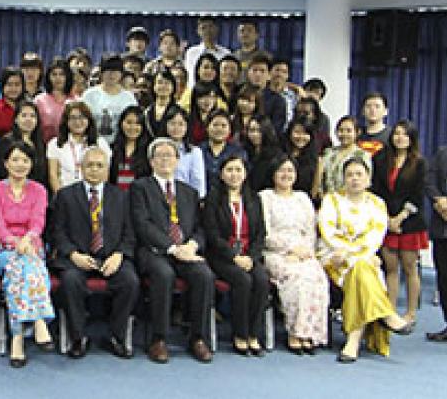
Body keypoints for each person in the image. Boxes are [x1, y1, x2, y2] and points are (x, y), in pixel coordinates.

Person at [317, 157, 413, 362]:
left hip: (362, 256)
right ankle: (387, 314)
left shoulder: (378, 204)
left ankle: (353, 340)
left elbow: (375, 237)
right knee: (365, 270)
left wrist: (354, 254)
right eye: (349, 175)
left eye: (359, 174)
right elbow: (328, 232)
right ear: (343, 179)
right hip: (334, 256)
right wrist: (348, 252)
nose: (354, 179)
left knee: (360, 271)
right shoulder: (331, 200)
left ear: (368, 178)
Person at [131, 138, 215, 363]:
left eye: (170, 155)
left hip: (186, 251)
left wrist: (192, 245)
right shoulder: (140, 188)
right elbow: (142, 224)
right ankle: (158, 339)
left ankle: (198, 337)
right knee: (163, 273)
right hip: (154, 251)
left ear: (178, 160)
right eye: (160, 155)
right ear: (151, 161)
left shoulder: (189, 192)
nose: (165, 160)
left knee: (203, 274)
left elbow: (199, 227)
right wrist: (172, 248)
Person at [52, 147, 139, 359]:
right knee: (71, 280)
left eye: (99, 165)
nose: (94, 170)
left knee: (130, 281)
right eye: (89, 165)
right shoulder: (65, 195)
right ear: (80, 168)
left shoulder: (120, 196)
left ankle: (116, 336)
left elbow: (130, 233)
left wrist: (119, 255)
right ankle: (78, 338)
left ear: (107, 170)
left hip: (112, 257)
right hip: (78, 257)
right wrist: (73, 254)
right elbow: (57, 232)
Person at [0, 142, 53, 367]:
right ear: (5, 163)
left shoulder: (39, 190)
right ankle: (40, 320)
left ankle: (17, 339)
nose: (20, 165)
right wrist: (15, 242)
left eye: (25, 160)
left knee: (20, 271)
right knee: (23, 265)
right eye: (15, 160)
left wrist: (28, 239)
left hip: (31, 245)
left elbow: (38, 222)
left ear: (31, 164)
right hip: (2, 249)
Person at [259, 155, 329, 354]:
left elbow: (310, 231)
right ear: (273, 174)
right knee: (297, 279)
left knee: (317, 277)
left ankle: (311, 333)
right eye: (281, 171)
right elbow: (264, 233)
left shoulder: (303, 198)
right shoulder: (265, 197)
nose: (286, 175)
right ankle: (295, 332)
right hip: (275, 252)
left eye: (290, 171)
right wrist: (289, 249)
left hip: (303, 252)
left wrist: (305, 251)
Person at [203, 156, 270, 356]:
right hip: (222, 256)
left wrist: (251, 256)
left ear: (245, 173)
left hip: (249, 255)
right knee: (242, 280)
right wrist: (234, 256)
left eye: (238, 170)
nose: (234, 174)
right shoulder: (213, 199)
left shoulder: (254, 199)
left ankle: (254, 334)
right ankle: (240, 334)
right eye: (229, 170)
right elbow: (212, 235)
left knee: (261, 280)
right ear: (222, 174)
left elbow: (260, 234)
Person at [372, 121, 428, 324]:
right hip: (385, 219)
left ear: (411, 139)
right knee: (391, 267)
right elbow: (375, 191)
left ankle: (411, 313)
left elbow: (418, 195)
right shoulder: (381, 159)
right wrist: (387, 219)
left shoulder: (419, 163)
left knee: (409, 267)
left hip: (410, 221)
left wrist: (399, 218)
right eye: (396, 133)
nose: (399, 138)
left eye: (405, 134)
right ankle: (390, 310)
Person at [46, 102, 111, 193]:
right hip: (65, 195)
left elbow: (104, 174)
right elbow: (53, 176)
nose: (77, 122)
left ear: (89, 120)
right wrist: (62, 198)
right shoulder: (55, 144)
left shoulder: (100, 143)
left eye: (82, 117)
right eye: (73, 118)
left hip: (93, 196)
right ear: (66, 121)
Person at [82, 53, 138, 144]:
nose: (112, 74)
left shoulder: (129, 98)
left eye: (116, 71)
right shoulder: (89, 95)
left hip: (120, 146)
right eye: (108, 70)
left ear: (121, 73)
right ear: (101, 73)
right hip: (93, 144)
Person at [313, 116, 372, 201]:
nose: (344, 134)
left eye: (348, 131)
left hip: (350, 202)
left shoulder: (363, 155)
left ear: (357, 132)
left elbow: (365, 183)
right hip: (327, 202)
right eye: (341, 130)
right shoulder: (328, 152)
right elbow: (319, 180)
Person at [0, 101, 48, 188]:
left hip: (37, 190)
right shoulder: (7, 142)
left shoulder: (40, 142)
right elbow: (3, 172)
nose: (28, 119)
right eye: (24, 115)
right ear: (16, 119)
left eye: (32, 116)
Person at [425, 145, 447, 341]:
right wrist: (439, 200)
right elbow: (429, 181)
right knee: (444, 279)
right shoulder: (441, 153)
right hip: (442, 227)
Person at [200, 109, 247, 193]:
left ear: (230, 130)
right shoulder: (198, 151)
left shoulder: (238, 152)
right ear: (207, 127)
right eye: (215, 125)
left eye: (223, 125)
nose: (219, 129)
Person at [163, 108, 207, 198]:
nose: (176, 128)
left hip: (186, 200)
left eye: (181, 124)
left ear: (187, 127)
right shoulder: (157, 149)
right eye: (172, 123)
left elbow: (198, 182)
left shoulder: (194, 152)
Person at [108, 105, 150, 191]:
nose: (132, 127)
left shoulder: (149, 150)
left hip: (139, 198)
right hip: (116, 197)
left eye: (137, 123)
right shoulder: (111, 148)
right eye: (129, 122)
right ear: (121, 123)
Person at [35, 58, 75, 144]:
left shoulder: (76, 100)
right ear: (48, 77)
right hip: (44, 147)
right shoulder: (39, 101)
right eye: (54, 74)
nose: (58, 78)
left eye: (62, 74)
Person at [184, 16, 231, 87]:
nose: (207, 31)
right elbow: (190, 77)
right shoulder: (191, 52)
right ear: (198, 31)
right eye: (203, 28)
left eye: (211, 27)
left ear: (216, 29)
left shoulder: (226, 53)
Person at [246, 54, 286, 133]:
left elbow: (276, 129)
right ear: (248, 73)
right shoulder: (238, 94)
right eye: (254, 70)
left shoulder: (278, 100)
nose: (258, 74)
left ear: (269, 75)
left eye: (262, 71)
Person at [242, 115, 281, 193]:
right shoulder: (243, 152)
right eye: (252, 130)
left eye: (259, 131)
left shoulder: (276, 155)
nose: (255, 134)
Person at [283, 117, 318, 195]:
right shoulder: (280, 155)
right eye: (297, 132)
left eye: (305, 133)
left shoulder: (316, 160)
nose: (301, 136)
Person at [143, 69, 180, 139]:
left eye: (167, 83)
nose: (163, 86)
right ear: (153, 86)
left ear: (173, 87)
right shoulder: (147, 111)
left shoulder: (179, 111)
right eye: (160, 82)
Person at [0, 67, 24, 136]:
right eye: (9, 84)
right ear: (2, 86)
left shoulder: (27, 107)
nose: (13, 89)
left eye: (17, 84)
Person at [357, 92, 391, 156]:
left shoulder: (392, 135)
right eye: (368, 106)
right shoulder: (356, 134)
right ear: (363, 111)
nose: (372, 110)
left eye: (377, 106)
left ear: (386, 111)